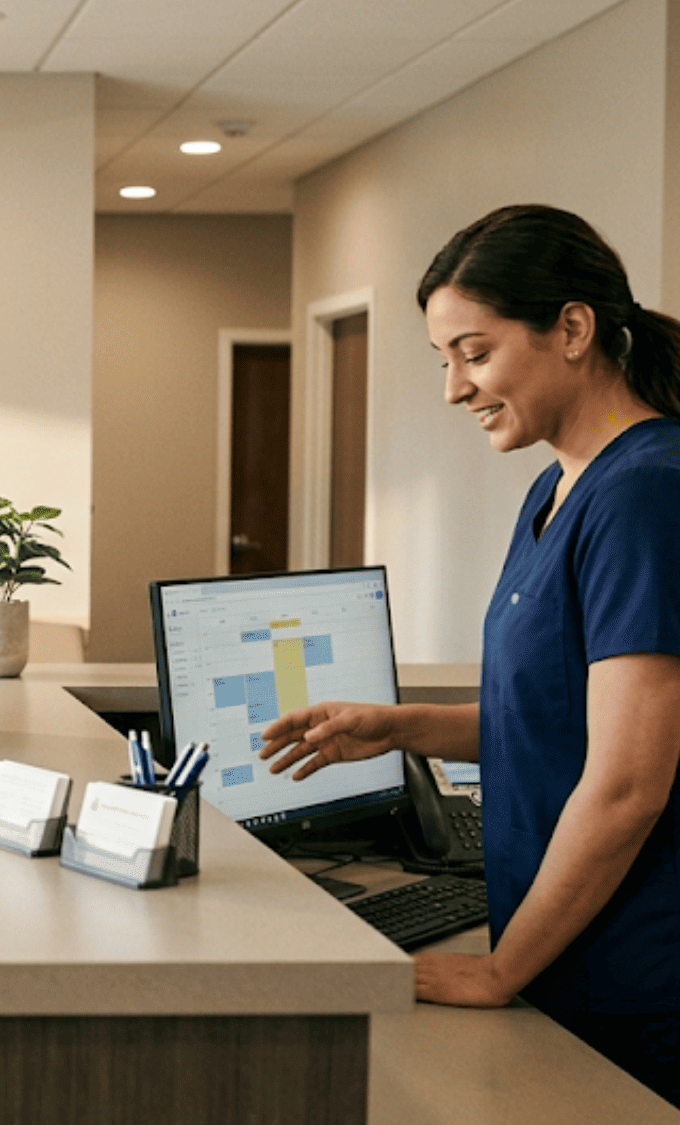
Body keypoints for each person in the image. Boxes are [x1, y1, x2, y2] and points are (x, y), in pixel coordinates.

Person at [259, 204, 680, 1108]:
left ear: (573, 328)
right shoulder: (556, 486)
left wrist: (499, 969)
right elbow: (557, 720)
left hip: (636, 977)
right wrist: (399, 726)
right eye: (444, 360)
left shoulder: (645, 494)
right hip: (562, 956)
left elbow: (627, 782)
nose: (454, 389)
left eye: (475, 353)